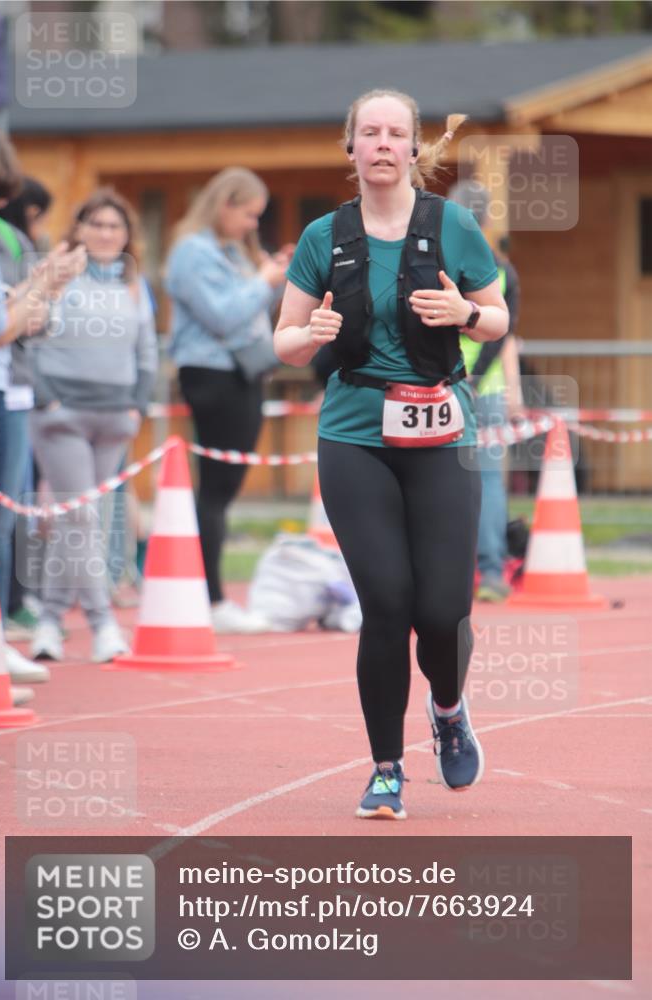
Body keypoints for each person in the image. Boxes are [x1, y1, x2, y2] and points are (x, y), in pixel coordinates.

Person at [274, 90, 508, 820]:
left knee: (442, 608)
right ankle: (383, 768)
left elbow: (497, 317)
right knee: (386, 603)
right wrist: (310, 331)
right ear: (350, 148)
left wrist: (466, 314)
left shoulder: (453, 225)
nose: (381, 143)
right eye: (368, 132)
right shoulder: (324, 235)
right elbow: (282, 342)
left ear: (413, 149)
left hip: (441, 431)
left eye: (395, 133)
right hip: (354, 433)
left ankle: (446, 707)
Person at [29, 188, 158, 664]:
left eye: (115, 226)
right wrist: (49, 399)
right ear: (78, 228)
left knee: (81, 522)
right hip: (60, 415)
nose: (106, 234)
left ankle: (48, 620)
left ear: (126, 235)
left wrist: (136, 407)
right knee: (80, 518)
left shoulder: (133, 282)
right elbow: (29, 339)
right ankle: (103, 624)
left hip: (114, 416)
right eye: (96, 224)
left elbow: (147, 351)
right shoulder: (58, 273)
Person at [165, 167, 290, 634]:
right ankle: (211, 599)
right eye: (249, 214)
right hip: (214, 374)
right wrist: (263, 279)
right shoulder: (192, 252)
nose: (252, 225)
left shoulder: (225, 250)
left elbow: (245, 310)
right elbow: (222, 316)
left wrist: (271, 278)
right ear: (224, 205)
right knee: (216, 490)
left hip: (240, 372)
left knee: (222, 488)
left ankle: (207, 595)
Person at [0, 128, 85, 691]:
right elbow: (0, 329)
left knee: (0, 524)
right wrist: (44, 284)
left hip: (4, 385)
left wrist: (39, 290)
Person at [448, 179, 524, 601]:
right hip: (484, 385)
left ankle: (457, 572)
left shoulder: (445, 261)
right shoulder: (503, 269)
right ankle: (492, 573)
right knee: (489, 480)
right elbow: (502, 333)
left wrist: (467, 375)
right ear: (488, 218)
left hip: (448, 383)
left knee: (443, 478)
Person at [0, 177, 54, 638]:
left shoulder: (5, 240)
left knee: (11, 509)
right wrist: (44, 284)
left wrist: (39, 301)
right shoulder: (2, 240)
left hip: (14, 386)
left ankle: (11, 607)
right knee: (2, 513)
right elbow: (1, 326)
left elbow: (33, 320)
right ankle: (4, 614)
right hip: (3, 386)